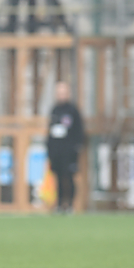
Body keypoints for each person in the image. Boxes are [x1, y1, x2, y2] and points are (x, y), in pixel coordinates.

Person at [46, 81, 84, 213]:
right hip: (56, 151)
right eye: (59, 93)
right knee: (58, 178)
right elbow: (50, 132)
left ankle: (71, 204)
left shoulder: (73, 111)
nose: (61, 95)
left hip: (69, 151)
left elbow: (79, 132)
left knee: (69, 177)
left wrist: (76, 148)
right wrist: (49, 150)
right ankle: (60, 204)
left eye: (63, 92)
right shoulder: (54, 110)